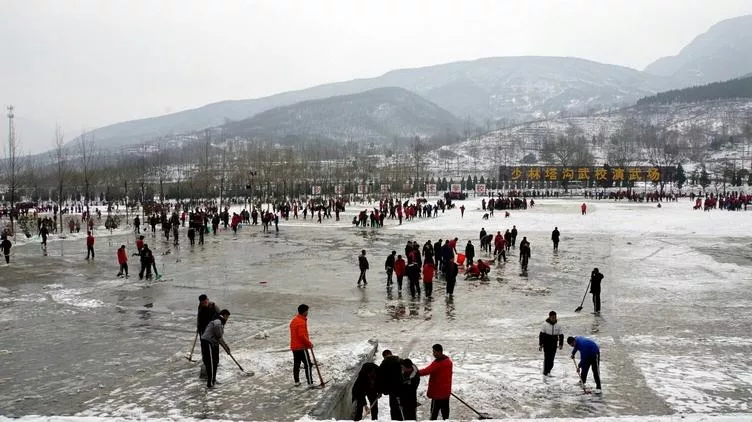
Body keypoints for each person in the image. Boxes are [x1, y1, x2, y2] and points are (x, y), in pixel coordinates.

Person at [418, 344, 453, 420]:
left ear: (440, 352)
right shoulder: (448, 361)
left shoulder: (438, 363)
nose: (433, 354)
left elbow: (426, 371)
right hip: (446, 392)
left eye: (434, 352)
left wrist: (414, 372)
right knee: (445, 413)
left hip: (438, 393)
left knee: (434, 414)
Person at [201, 309, 231, 389]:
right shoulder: (218, 321)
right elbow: (218, 336)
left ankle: (213, 381)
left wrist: (226, 348)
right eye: (227, 316)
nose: (227, 319)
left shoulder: (220, 323)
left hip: (212, 343)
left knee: (215, 362)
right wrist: (224, 346)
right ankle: (210, 384)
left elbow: (220, 338)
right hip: (207, 342)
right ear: (224, 315)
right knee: (210, 363)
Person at [290, 304, 314, 387]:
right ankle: (310, 383)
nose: (307, 312)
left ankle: (296, 381)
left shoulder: (294, 320)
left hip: (294, 347)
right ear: (304, 312)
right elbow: (301, 335)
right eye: (307, 311)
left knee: (296, 364)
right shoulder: (301, 322)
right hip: (301, 347)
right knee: (308, 364)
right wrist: (309, 343)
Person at [378, 350, 404, 420]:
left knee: (394, 409)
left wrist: (380, 391)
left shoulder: (383, 364)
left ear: (384, 357)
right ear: (391, 354)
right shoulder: (400, 360)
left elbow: (381, 379)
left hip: (392, 391)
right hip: (403, 388)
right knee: (403, 407)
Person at [539, 311, 564, 376]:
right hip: (546, 343)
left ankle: (548, 370)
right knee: (547, 358)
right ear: (549, 317)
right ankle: (545, 372)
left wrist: (561, 344)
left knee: (551, 360)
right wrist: (541, 344)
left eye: (555, 317)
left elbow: (561, 335)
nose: (554, 319)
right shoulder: (544, 324)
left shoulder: (558, 325)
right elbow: (541, 335)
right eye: (552, 317)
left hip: (554, 343)